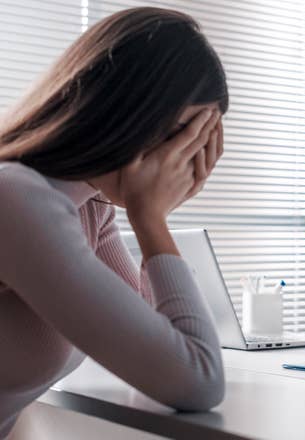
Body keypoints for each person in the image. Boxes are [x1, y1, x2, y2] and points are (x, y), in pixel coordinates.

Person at [0, 8, 228, 437]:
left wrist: (151, 213)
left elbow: (156, 342)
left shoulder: (89, 207)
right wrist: (150, 217)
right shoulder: (17, 198)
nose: (189, 158)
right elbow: (197, 379)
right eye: (184, 135)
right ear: (125, 110)